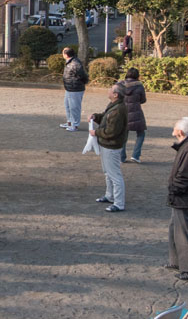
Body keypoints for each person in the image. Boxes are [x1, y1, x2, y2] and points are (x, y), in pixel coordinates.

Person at [90, 83, 129, 213]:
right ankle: (109, 195)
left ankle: (119, 203)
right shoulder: (114, 106)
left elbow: (112, 131)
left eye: (110, 90)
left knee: (114, 175)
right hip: (107, 144)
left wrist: (96, 132)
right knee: (108, 172)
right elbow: (106, 119)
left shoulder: (118, 110)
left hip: (111, 145)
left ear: (115, 94)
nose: (108, 91)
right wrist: (96, 117)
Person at [167, 118, 188, 281]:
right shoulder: (184, 147)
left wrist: (174, 190)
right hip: (179, 197)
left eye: (175, 128)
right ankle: (175, 261)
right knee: (174, 227)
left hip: (182, 198)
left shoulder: (186, 149)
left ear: (180, 132)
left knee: (182, 233)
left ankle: (186, 268)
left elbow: (183, 176)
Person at [118, 68, 148, 164]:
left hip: (123, 112)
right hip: (136, 112)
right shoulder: (139, 86)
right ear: (137, 76)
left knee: (123, 134)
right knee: (141, 133)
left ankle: (122, 157)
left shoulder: (120, 85)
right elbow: (143, 100)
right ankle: (136, 155)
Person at [60, 47, 89, 132]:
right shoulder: (70, 62)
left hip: (75, 88)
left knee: (74, 107)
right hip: (69, 88)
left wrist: (80, 83)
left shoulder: (75, 63)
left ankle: (75, 124)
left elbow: (83, 76)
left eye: (63, 53)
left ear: (66, 54)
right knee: (68, 106)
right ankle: (69, 122)